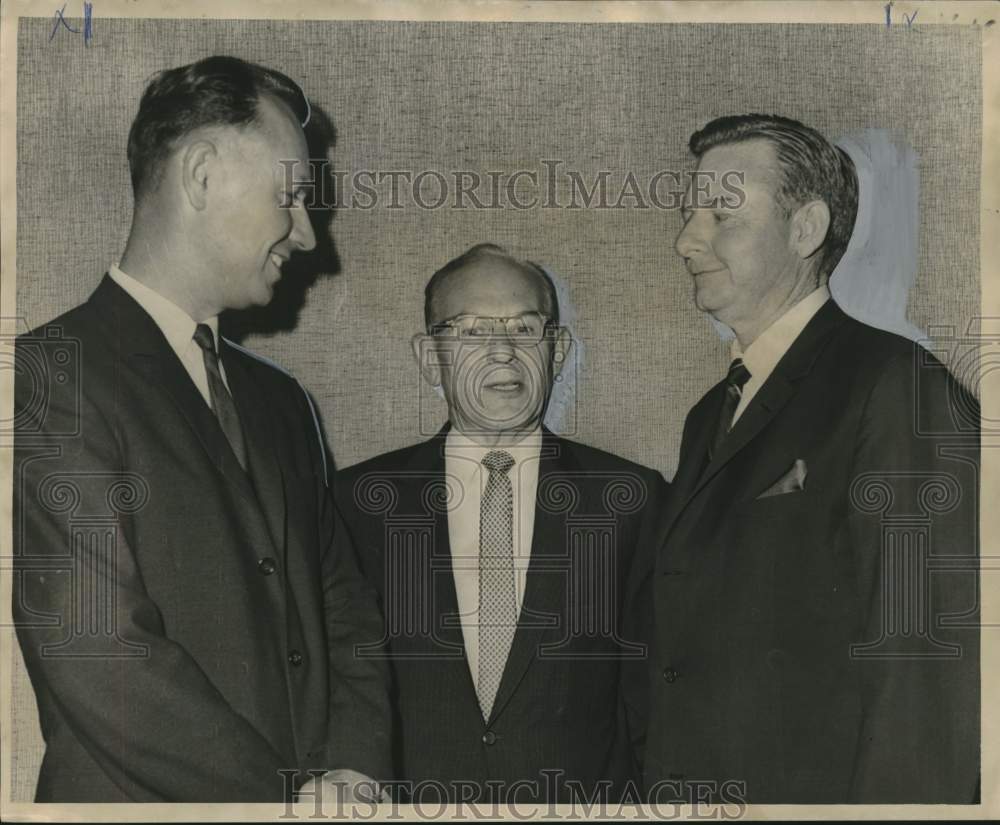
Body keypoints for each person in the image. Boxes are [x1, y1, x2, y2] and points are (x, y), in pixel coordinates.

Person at [12, 56, 390, 802]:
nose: (307, 235)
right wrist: (287, 796)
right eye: (291, 197)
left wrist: (353, 771)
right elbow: (98, 651)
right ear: (201, 175)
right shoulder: (48, 375)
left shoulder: (284, 404)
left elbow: (349, 615)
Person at [638, 114, 980, 803]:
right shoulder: (711, 412)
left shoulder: (896, 386)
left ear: (806, 227)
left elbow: (928, 669)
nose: (685, 240)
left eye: (721, 213)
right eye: (687, 214)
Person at [333, 244, 668, 803]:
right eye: (470, 332)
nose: (503, 353)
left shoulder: (628, 498)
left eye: (525, 328)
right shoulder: (357, 502)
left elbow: (654, 698)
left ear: (557, 351)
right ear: (427, 355)